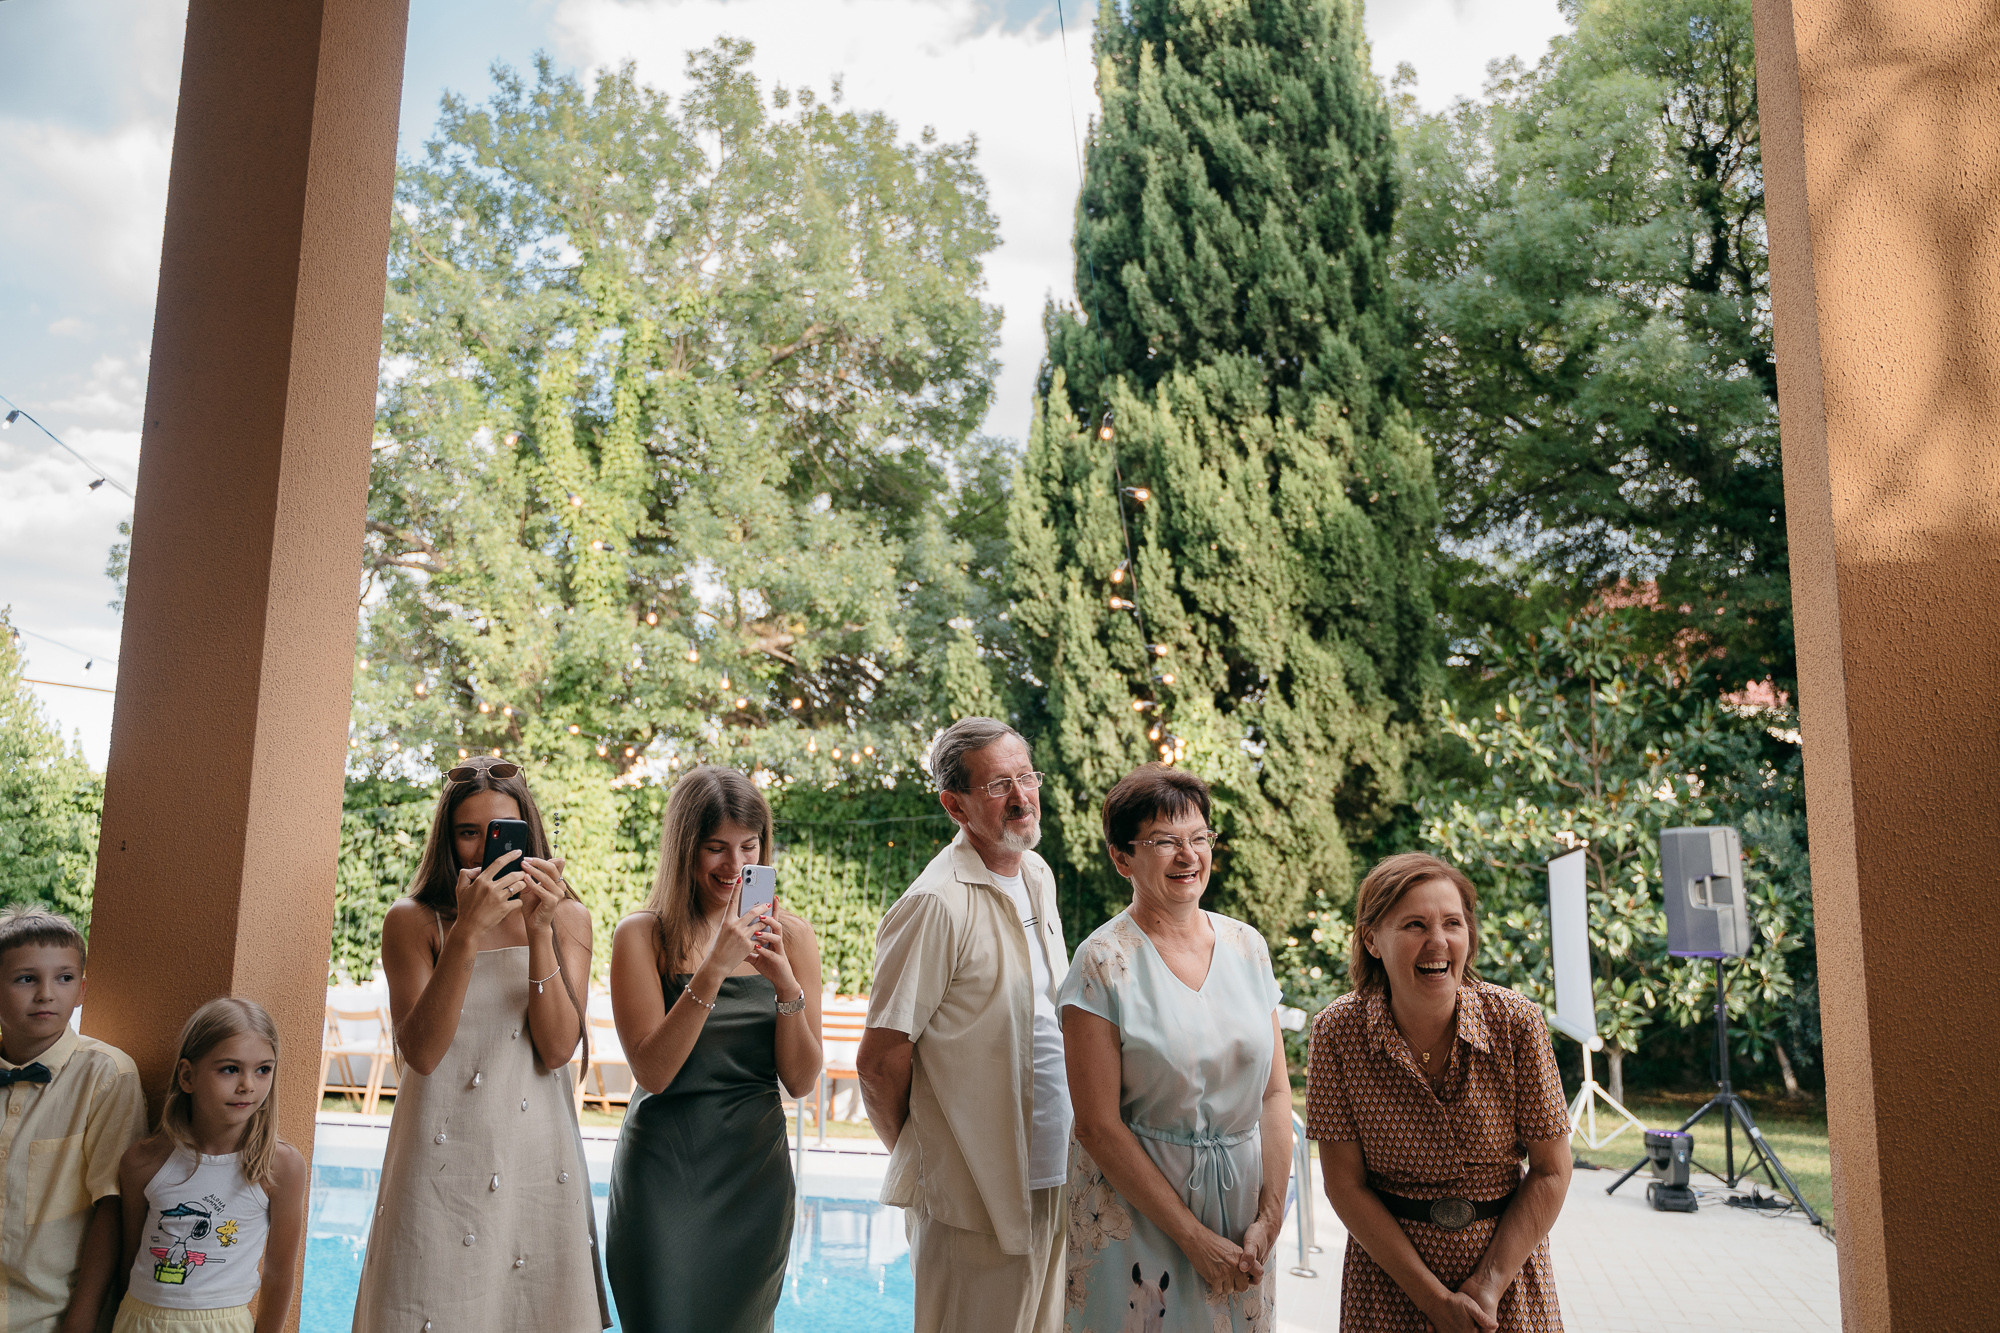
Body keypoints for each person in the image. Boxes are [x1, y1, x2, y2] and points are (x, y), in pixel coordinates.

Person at [353, 755, 608, 1333]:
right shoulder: (412, 921)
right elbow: (421, 1053)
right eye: (468, 832)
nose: (484, 849)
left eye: (501, 831)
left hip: (535, 1159)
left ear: (528, 834)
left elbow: (558, 1049)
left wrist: (540, 931)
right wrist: (467, 931)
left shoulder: (569, 918)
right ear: (447, 839)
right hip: (438, 1159)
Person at [856, 717, 1071, 1333]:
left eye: (1026, 777)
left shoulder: (1037, 875)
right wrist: (933, 1161)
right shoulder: (935, 903)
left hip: (1056, 1174)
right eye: (999, 785)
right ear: (954, 805)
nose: (1021, 797)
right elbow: (879, 1060)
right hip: (970, 1198)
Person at [1058, 765, 1291, 1332]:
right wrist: (1192, 1238)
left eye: (1198, 837)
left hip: (1241, 1219)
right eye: (1164, 842)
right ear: (1122, 859)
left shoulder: (1248, 947)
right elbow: (1096, 1126)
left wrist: (1269, 1215)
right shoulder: (1101, 962)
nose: (1188, 856)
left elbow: (1275, 1092)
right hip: (1137, 1216)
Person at [1305, 853, 1572, 1333]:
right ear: (1372, 940)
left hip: (1507, 1281)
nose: (1438, 942)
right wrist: (1432, 1299)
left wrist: (1487, 1285)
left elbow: (1552, 1170)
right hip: (1388, 1284)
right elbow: (1344, 1185)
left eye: (1453, 923)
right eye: (1415, 925)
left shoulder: (1516, 1023)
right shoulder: (1337, 1033)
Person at [604, 766, 823, 1333]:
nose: (734, 865)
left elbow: (801, 1081)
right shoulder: (641, 936)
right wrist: (714, 968)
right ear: (684, 849)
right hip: (662, 1180)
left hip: (754, 1183)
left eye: (749, 846)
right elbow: (653, 1072)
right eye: (715, 848)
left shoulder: (794, 938)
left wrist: (786, 987)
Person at [110, 997, 307, 1333]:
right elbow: (129, 1259)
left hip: (223, 1324)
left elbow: (279, 1274)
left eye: (263, 1069)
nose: (248, 1085)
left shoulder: (281, 1167)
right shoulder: (144, 1161)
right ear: (188, 1076)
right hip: (138, 1321)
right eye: (230, 1069)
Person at [0, 908, 147, 1333]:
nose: (46, 994)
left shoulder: (107, 1076)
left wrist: (82, 1318)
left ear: (81, 990)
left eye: (64, 978)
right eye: (26, 979)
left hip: (50, 1318)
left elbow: (112, 1206)